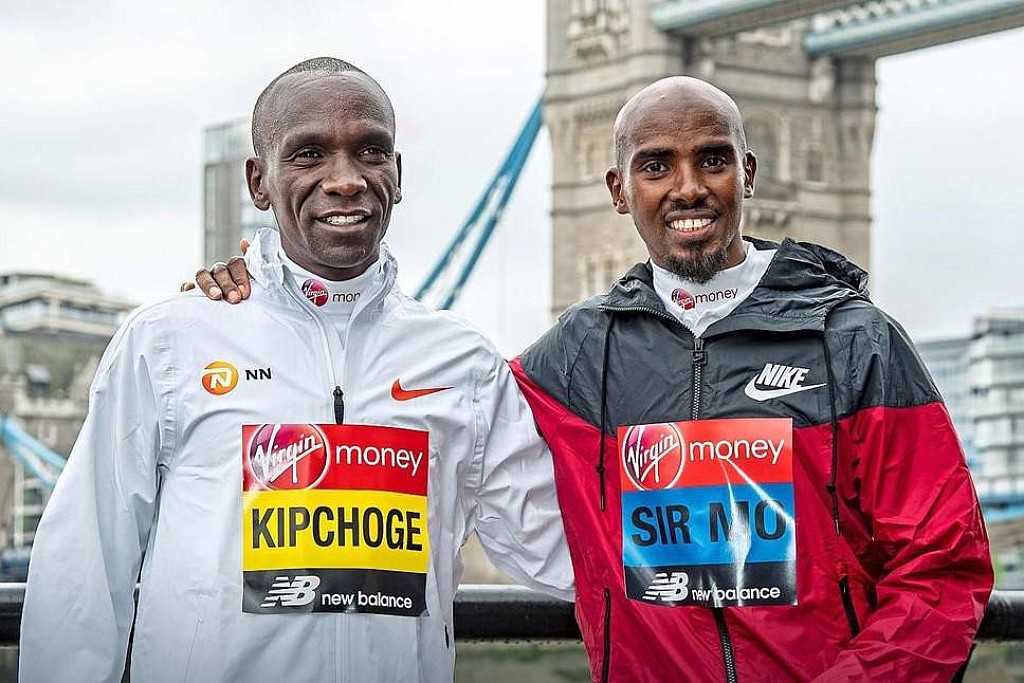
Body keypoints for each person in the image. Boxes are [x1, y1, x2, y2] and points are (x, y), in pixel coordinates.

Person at [193, 76, 994, 681]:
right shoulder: (576, 355)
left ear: (748, 172)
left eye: (712, 160)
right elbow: (399, 404)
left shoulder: (856, 342)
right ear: (618, 189)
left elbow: (943, 568)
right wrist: (265, 298)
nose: (688, 186)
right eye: (656, 165)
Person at [19, 57, 572, 683]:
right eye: (309, 154)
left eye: (370, 151)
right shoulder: (169, 342)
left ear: (397, 173)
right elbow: (84, 570)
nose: (346, 180)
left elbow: (560, 549)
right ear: (259, 183)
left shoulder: (464, 362)